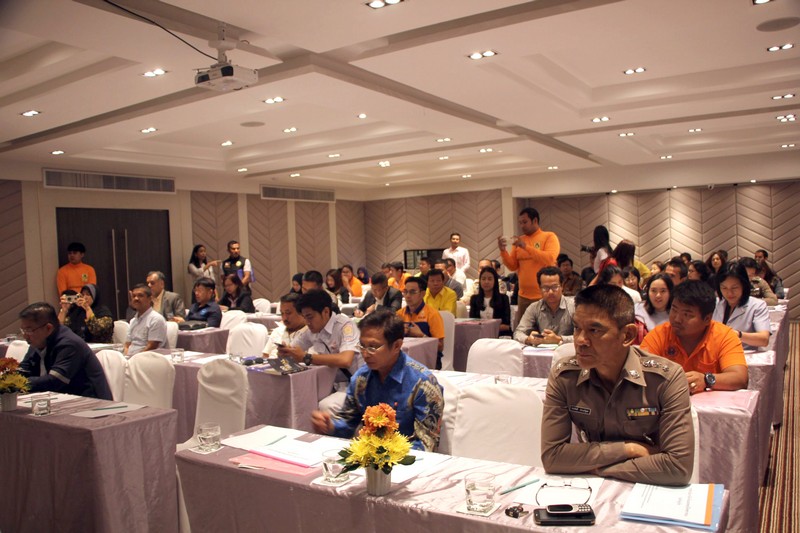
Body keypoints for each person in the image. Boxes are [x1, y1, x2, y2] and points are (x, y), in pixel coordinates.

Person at [540, 285, 693, 486]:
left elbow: (678, 468)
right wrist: (628, 449)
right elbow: (552, 457)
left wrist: (596, 468)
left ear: (627, 335)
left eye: (594, 330)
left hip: (648, 488)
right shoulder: (565, 376)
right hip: (591, 490)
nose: (580, 340)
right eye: (577, 328)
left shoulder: (665, 379)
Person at [310, 310, 444, 452]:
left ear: (397, 346)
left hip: (407, 458)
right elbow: (348, 423)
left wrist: (388, 456)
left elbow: (426, 443)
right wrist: (330, 426)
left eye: (373, 347)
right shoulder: (361, 379)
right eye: (362, 346)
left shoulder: (423, 384)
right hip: (370, 455)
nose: (365, 354)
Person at [641, 280, 748, 394]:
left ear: (707, 319)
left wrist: (706, 380)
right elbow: (639, 372)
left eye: (687, 314)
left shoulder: (724, 336)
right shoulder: (659, 334)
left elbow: (740, 378)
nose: (677, 319)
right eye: (674, 310)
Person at [18, 302, 112, 399]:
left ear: (48, 328)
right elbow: (23, 370)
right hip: (61, 399)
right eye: (23, 331)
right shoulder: (38, 342)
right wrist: (11, 380)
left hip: (91, 402)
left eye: (29, 330)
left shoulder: (69, 344)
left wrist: (18, 383)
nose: (25, 336)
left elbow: (54, 381)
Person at [279, 289, 361, 397]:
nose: (307, 322)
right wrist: (285, 352)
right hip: (331, 385)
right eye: (304, 318)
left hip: (357, 385)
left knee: (323, 404)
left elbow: (345, 360)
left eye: (310, 317)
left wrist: (306, 357)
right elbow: (293, 350)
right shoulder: (311, 331)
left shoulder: (345, 325)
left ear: (326, 312)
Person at [498, 207, 560, 324]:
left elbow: (549, 259)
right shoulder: (519, 241)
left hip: (545, 295)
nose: (522, 226)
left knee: (545, 328)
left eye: (525, 222)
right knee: (523, 329)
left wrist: (525, 247)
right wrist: (503, 251)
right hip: (523, 296)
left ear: (535, 220)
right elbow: (512, 266)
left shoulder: (549, 236)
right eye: (520, 223)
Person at [712, 263, 770, 349]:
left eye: (734, 288)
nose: (729, 293)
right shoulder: (714, 303)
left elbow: (764, 339)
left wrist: (737, 334)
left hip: (744, 353)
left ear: (744, 285)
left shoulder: (757, 305)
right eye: (724, 288)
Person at [513, 266, 574, 346]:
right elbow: (518, 333)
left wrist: (559, 339)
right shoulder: (534, 307)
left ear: (562, 286)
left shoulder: (574, 306)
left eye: (555, 287)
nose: (550, 292)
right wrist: (528, 339)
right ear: (539, 288)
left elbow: (584, 336)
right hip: (541, 352)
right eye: (545, 288)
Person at [397, 277, 445, 367]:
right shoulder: (399, 314)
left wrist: (422, 336)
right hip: (404, 360)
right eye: (405, 292)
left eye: (412, 292)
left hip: (427, 361)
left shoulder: (432, 314)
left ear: (423, 294)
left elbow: (440, 346)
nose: (408, 296)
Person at [125, 284, 167, 356]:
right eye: (134, 296)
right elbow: (127, 345)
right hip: (131, 358)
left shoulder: (156, 319)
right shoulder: (133, 321)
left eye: (140, 296)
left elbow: (152, 347)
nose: (136, 298)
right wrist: (126, 357)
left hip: (147, 358)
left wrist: (134, 358)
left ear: (150, 299)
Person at [263, 293, 308, 357]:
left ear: (301, 312)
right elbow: (265, 355)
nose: (284, 318)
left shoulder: (311, 334)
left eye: (288, 313)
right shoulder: (277, 331)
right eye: (282, 313)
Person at [469, 266, 512, 335]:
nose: (486, 282)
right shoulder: (474, 299)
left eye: (490, 279)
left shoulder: (503, 298)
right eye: (483, 279)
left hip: (499, 335)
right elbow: (472, 323)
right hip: (479, 335)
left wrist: (486, 328)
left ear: (495, 281)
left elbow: (506, 326)